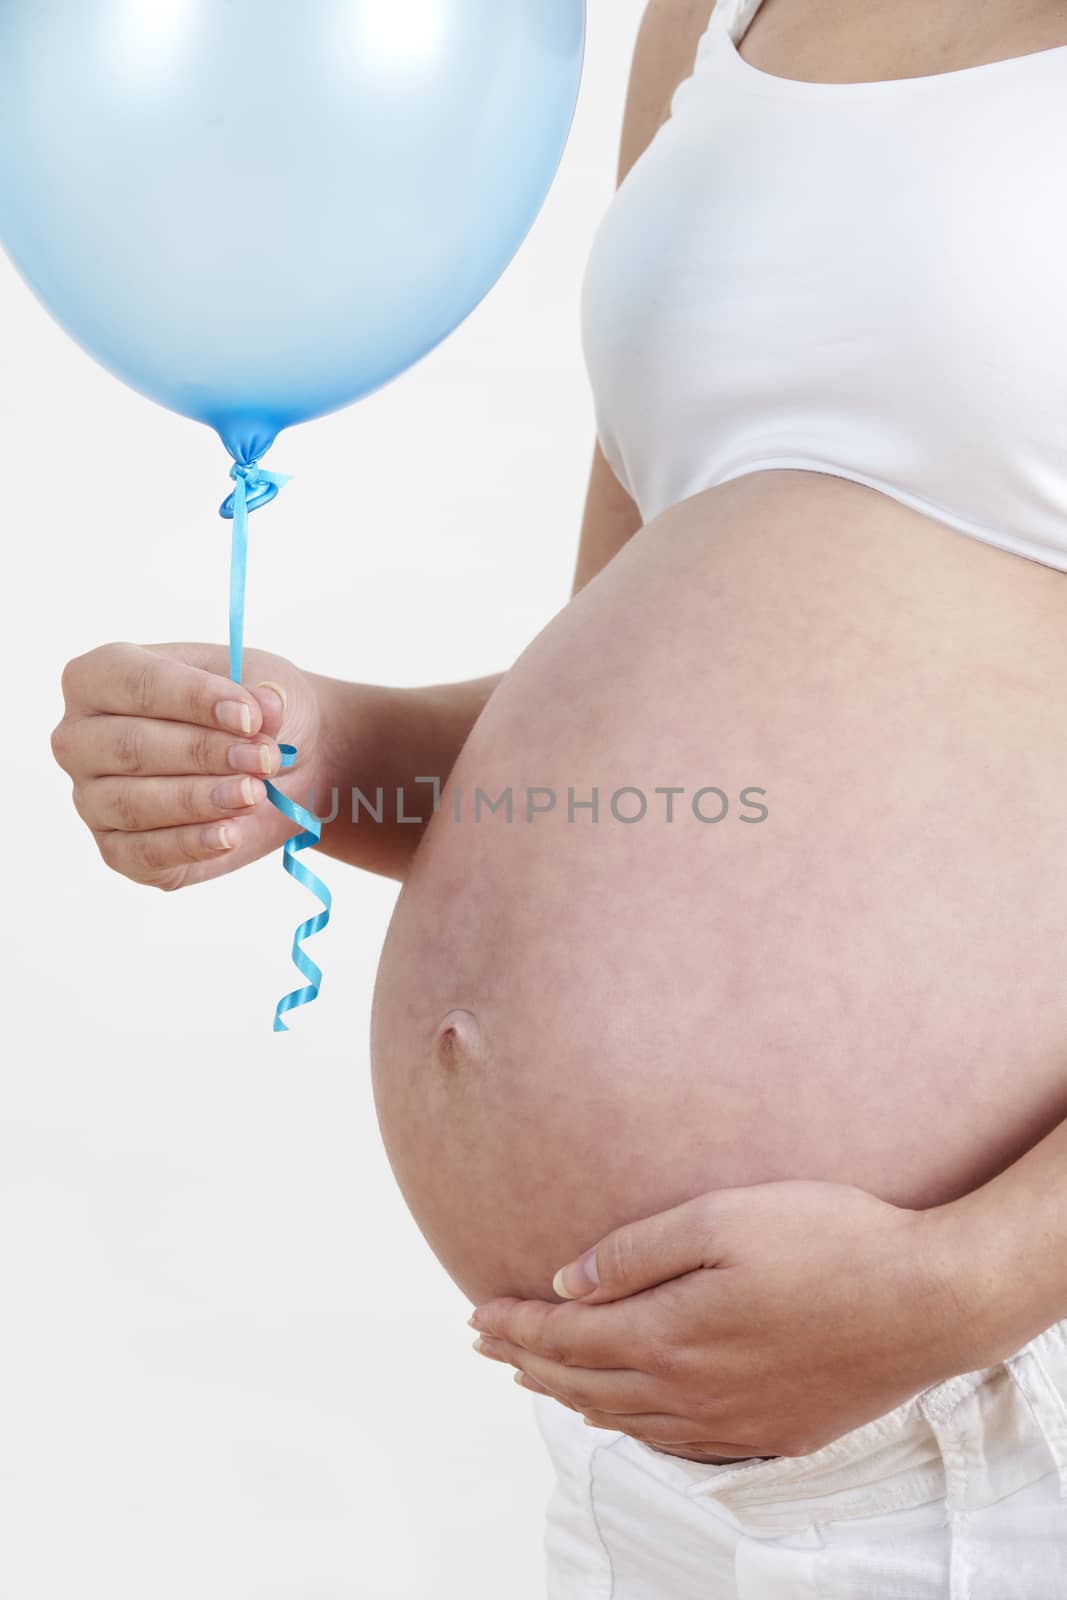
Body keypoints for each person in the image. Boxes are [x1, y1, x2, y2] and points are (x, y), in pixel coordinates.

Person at [51, 0, 1067, 1593]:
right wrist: (312, 754)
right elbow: (626, 721)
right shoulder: (722, 20)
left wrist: (967, 1279)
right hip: (625, 1443)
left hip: (984, 1407)